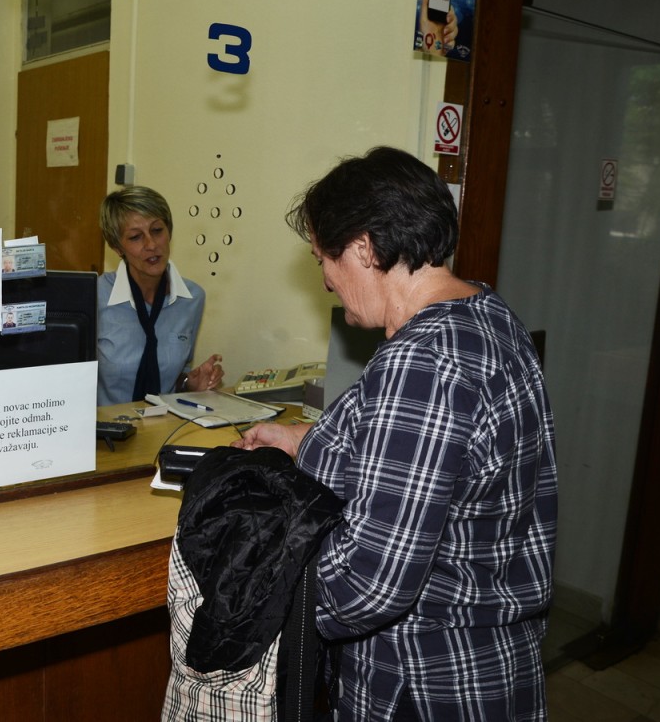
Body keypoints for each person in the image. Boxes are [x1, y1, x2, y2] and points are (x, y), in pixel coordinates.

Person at [232, 146, 557, 720]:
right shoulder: (488, 314)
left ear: (362, 247)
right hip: (492, 666)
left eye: (322, 260)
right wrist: (301, 443)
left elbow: (372, 582)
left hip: (425, 680)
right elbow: (418, 472)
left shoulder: (422, 360)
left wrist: (258, 599)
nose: (327, 281)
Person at [97, 185, 224, 406]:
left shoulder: (192, 298)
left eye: (157, 230)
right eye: (136, 237)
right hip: (104, 433)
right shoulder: (95, 295)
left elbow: (174, 379)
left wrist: (189, 384)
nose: (152, 245)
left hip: (161, 428)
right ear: (117, 247)